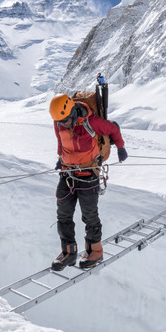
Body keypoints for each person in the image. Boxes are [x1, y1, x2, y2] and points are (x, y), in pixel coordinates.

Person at [49, 93, 128, 271]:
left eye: (66, 121)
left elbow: (113, 130)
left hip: (88, 175)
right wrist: (60, 159)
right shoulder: (59, 121)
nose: (63, 125)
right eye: (60, 122)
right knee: (63, 214)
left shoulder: (91, 122)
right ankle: (69, 253)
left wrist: (121, 148)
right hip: (68, 174)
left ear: (73, 112)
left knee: (89, 216)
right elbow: (61, 142)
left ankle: (95, 251)